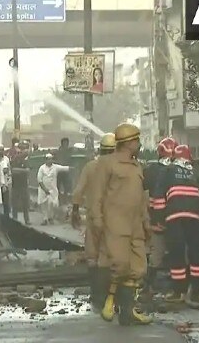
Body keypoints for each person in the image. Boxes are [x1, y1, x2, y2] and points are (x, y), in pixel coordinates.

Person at [89, 123, 152, 326]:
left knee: (138, 267)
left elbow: (141, 197)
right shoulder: (107, 164)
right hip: (115, 223)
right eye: (137, 140)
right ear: (128, 143)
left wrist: (146, 221)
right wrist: (97, 219)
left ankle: (128, 311)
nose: (139, 144)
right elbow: (96, 194)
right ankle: (109, 300)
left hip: (135, 224)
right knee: (120, 265)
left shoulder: (136, 166)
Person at [154, 145, 199, 303]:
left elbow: (159, 196)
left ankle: (179, 291)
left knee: (176, 253)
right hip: (195, 216)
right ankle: (198, 291)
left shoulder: (167, 171)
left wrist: (159, 219)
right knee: (196, 254)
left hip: (175, 216)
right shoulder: (195, 173)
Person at [71, 132, 116, 311]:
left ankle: (96, 295)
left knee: (92, 257)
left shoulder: (90, 167)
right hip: (114, 220)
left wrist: (75, 210)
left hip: (92, 219)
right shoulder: (120, 168)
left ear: (100, 149)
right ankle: (109, 295)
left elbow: (78, 191)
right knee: (109, 257)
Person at [141, 136, 178, 298]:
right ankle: (176, 287)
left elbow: (143, 189)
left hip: (157, 216)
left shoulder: (151, 169)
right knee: (177, 251)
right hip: (177, 218)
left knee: (156, 252)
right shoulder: (179, 169)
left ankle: (148, 286)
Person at [36, 153, 72, 225]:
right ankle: (45, 219)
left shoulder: (55, 167)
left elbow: (64, 168)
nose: (50, 160)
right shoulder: (42, 168)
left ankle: (50, 217)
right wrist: (45, 189)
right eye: (48, 159)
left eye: (51, 159)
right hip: (43, 190)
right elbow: (39, 180)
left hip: (53, 190)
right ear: (45, 160)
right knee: (44, 204)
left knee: (53, 204)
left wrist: (73, 168)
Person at [10, 140, 31, 224]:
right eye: (22, 148)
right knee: (14, 204)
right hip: (15, 185)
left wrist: (21, 171)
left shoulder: (27, 160)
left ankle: (27, 220)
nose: (23, 150)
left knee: (25, 204)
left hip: (24, 184)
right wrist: (23, 171)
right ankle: (15, 220)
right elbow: (12, 170)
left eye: (25, 148)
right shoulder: (14, 159)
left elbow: (29, 170)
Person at [54, 138, 75, 203]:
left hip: (66, 171)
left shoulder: (69, 151)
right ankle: (59, 199)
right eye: (65, 143)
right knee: (57, 186)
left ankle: (65, 199)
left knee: (67, 186)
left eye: (67, 143)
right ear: (62, 143)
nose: (66, 144)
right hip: (59, 171)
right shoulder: (58, 152)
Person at [0, 146, 12, 217]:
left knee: (6, 201)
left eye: (2, 150)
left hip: (5, 183)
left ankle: (7, 216)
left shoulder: (6, 159)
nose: (1, 151)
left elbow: (8, 170)